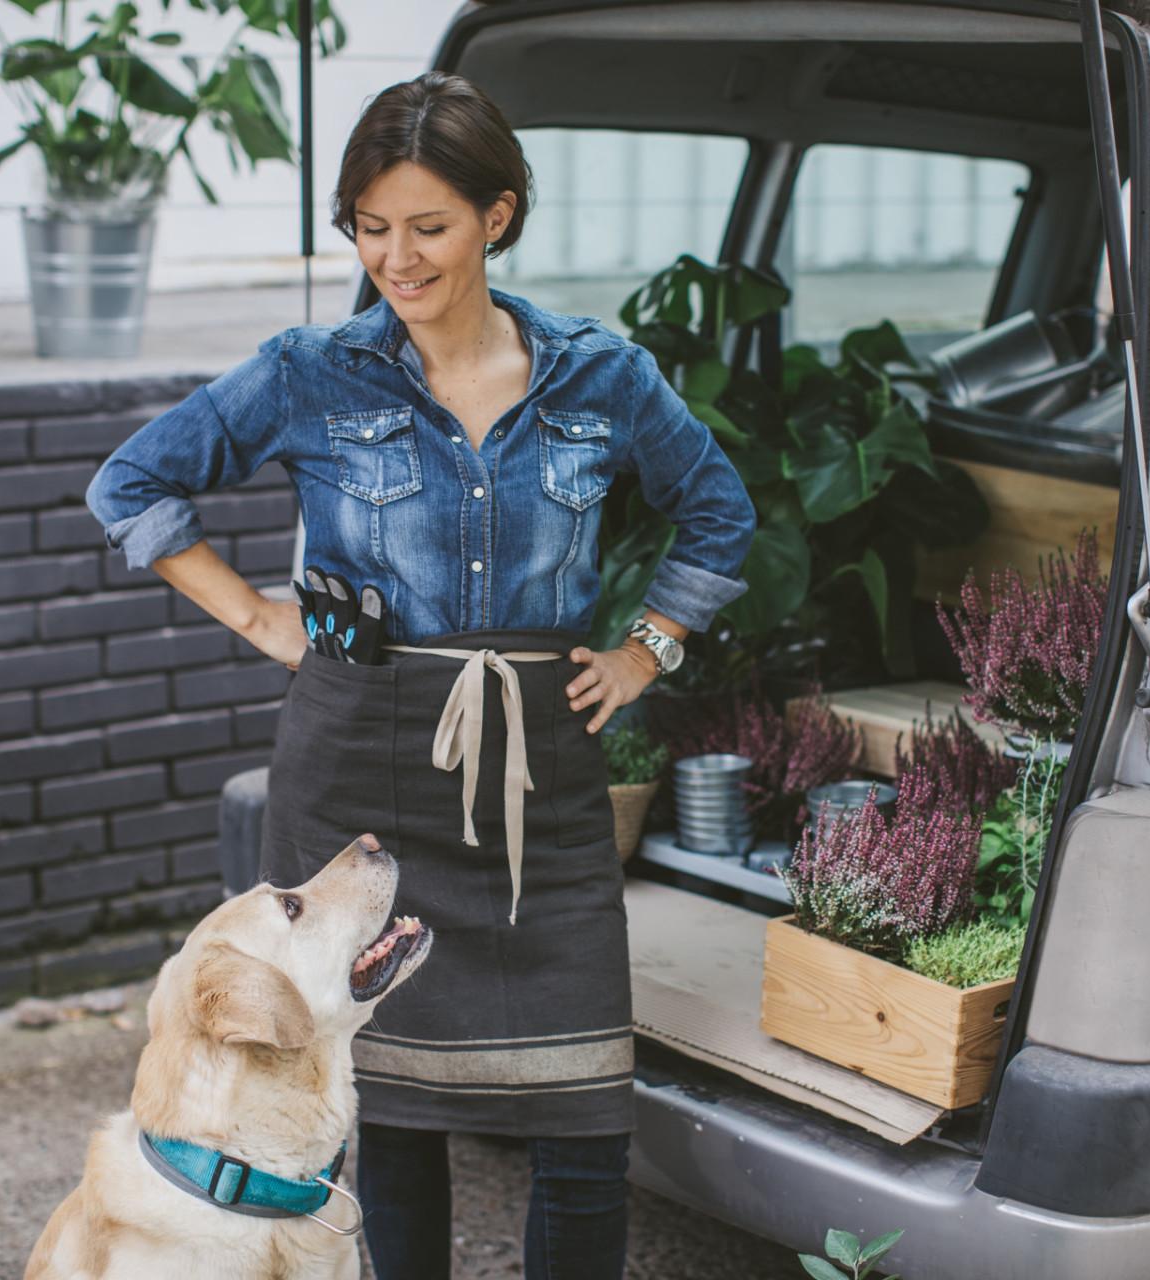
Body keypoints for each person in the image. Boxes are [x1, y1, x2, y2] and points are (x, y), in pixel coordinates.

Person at [84, 70, 756, 1280]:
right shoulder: (310, 370)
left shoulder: (600, 374)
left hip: (542, 773)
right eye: (370, 226)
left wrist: (648, 647)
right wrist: (261, 620)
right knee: (385, 1118)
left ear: (497, 216)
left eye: (429, 226)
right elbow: (131, 482)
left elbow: (718, 510)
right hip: (356, 758)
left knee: (585, 1118)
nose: (397, 257)